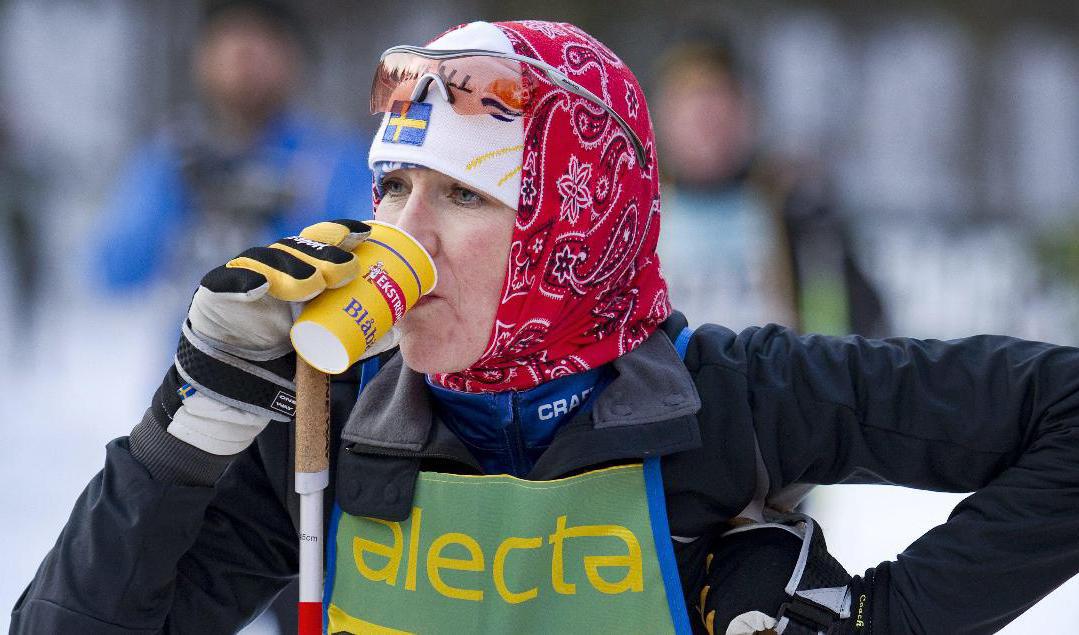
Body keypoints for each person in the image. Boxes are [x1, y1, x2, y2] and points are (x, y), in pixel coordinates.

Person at [12, 19, 1079, 635]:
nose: (400, 234)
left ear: (573, 225)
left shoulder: (733, 397)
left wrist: (872, 620)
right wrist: (188, 424)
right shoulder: (325, 436)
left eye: (462, 197)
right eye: (390, 186)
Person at [96, 0, 372, 307]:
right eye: (227, 35)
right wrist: (176, 196)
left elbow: (371, 269)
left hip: (302, 349)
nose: (243, 53)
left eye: (264, 36)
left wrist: (283, 215)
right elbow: (112, 273)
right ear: (200, 58)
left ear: (294, 57)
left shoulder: (336, 160)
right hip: (191, 350)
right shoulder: (173, 158)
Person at [654, 36, 887, 336]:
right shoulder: (637, 214)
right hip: (673, 380)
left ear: (745, 114)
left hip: (773, 378)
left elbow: (846, 333)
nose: (705, 124)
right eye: (691, 109)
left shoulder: (795, 213)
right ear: (662, 118)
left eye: (717, 105)